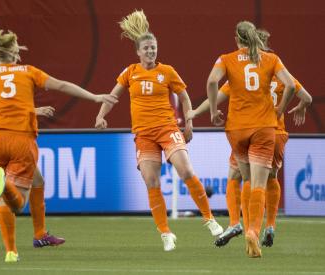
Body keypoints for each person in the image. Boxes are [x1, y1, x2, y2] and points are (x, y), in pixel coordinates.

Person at [0, 29, 117, 262]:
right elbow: (61, 85)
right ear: (13, 51)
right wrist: (94, 97)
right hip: (21, 140)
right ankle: (3, 242)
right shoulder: (28, 71)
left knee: (37, 180)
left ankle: (35, 233)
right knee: (14, 201)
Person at [95, 10, 223, 252]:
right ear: (138, 52)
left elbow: (184, 98)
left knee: (185, 169)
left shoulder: (167, 71)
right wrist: (101, 115)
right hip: (143, 134)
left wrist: (189, 122)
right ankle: (166, 233)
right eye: (147, 48)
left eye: (154, 48)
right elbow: (113, 96)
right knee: (151, 181)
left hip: (167, 128)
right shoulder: (130, 72)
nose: (151, 52)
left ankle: (210, 219)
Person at [188, 29, 313, 247]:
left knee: (239, 177)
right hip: (276, 132)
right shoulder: (277, 67)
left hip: (247, 127)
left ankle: (239, 224)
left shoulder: (242, 66)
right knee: (269, 179)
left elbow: (218, 93)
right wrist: (295, 107)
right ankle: (269, 226)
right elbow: (306, 96)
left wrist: (196, 112)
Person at [206, 21, 296, 257]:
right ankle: (254, 230)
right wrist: (280, 109)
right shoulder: (270, 60)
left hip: (236, 129)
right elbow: (291, 86)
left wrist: (214, 111)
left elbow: (212, 82)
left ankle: (240, 224)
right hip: (264, 128)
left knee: (243, 179)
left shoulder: (226, 58)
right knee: (259, 184)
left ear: (236, 38)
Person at [0, 104, 65, 249]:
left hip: (11, 140)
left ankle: (40, 235)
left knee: (37, 181)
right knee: (14, 198)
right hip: (3, 143)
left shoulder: (0, 86)